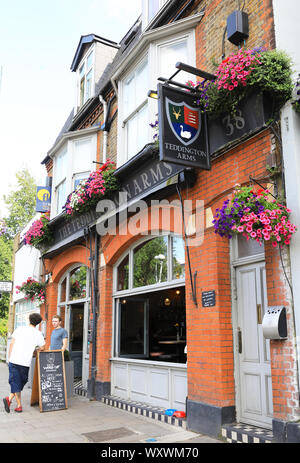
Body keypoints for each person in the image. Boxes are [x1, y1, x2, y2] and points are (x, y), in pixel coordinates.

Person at [3, 312, 45, 413]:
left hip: (14, 360)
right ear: (38, 323)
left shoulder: (20, 329)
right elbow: (43, 347)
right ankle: (19, 405)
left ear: (29, 320)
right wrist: (34, 350)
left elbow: (12, 343)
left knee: (16, 382)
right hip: (25, 362)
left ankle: (9, 399)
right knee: (19, 382)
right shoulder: (38, 334)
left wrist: (9, 357)